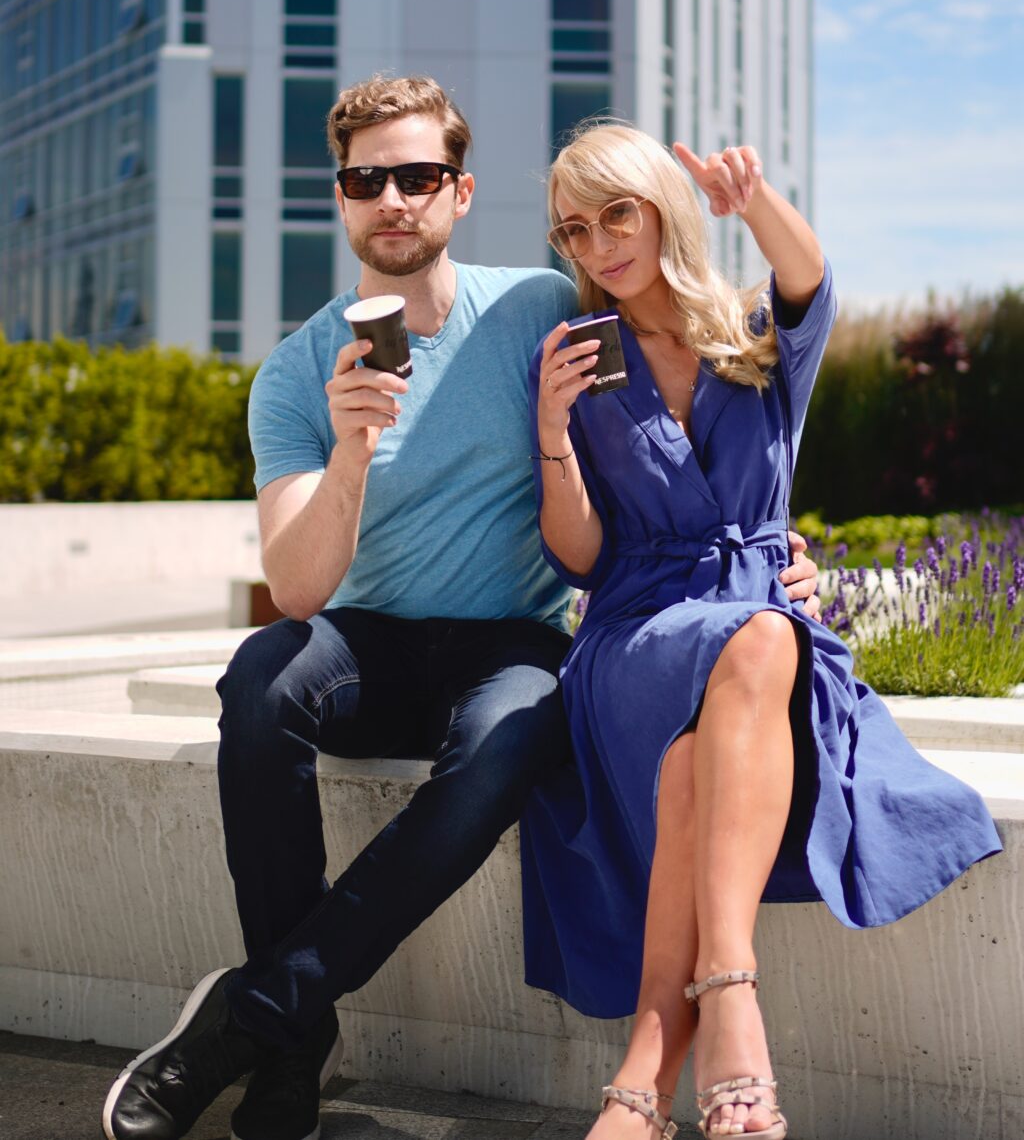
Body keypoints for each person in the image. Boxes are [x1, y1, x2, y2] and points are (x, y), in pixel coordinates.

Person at [101, 78, 822, 1140]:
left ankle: (257, 1017)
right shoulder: (297, 374)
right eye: (366, 179)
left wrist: (772, 553)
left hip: (509, 643)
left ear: (460, 190)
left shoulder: (540, 306)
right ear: (339, 197)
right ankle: (290, 1034)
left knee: (516, 730)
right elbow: (298, 588)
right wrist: (350, 453)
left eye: (418, 176)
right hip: (369, 641)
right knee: (259, 677)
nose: (393, 198)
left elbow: (681, 416)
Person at [517, 123, 1002, 1140]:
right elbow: (580, 559)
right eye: (574, 229)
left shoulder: (752, 334)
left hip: (754, 616)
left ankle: (650, 1060)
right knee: (762, 641)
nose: (600, 243)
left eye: (619, 213)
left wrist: (756, 202)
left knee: (711, 733)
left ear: (660, 208)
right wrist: (553, 440)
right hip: (637, 633)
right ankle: (729, 995)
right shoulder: (574, 362)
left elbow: (808, 275)